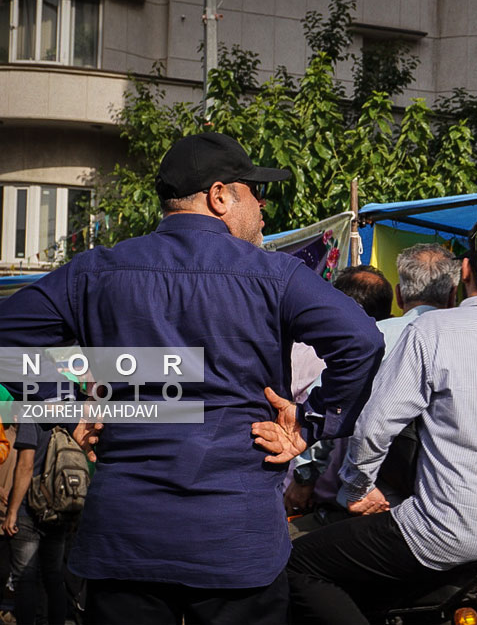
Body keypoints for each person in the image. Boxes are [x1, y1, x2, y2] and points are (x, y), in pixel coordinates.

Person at [0, 132, 384, 624]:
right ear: (220, 195)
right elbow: (362, 341)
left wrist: (73, 402)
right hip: (234, 540)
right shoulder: (275, 275)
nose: (262, 210)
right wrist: (309, 424)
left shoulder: (96, 271)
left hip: (126, 539)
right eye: (254, 193)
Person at [286, 247, 477, 624]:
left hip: (426, 524)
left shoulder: (418, 334)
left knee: (291, 564)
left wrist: (353, 489)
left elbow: (360, 425)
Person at [284, 247, 460, 521]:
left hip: (375, 500)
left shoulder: (376, 339)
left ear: (400, 295)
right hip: (454, 503)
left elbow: (331, 408)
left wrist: (305, 479)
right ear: (453, 295)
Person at [3, 421, 68, 625]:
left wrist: (12, 512)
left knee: (25, 578)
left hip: (28, 508)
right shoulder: (68, 417)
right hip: (59, 509)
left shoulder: (32, 414)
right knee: (54, 578)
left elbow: (25, 465)